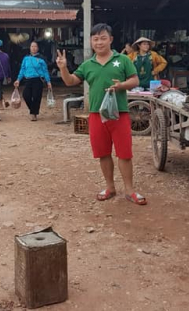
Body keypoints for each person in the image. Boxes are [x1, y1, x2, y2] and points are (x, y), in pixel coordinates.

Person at [56, 23, 147, 205]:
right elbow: (71, 81)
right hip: (96, 115)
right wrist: (63, 68)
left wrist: (121, 85)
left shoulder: (122, 60)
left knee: (125, 154)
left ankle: (130, 190)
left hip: (119, 113)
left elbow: (135, 79)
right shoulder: (88, 64)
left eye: (103, 38)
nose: (99, 42)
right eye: (95, 39)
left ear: (111, 40)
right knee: (103, 153)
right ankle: (110, 187)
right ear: (91, 41)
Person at [14, 41, 52, 121]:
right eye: (32, 46)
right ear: (30, 48)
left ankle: (34, 114)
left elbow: (45, 71)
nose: (33, 48)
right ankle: (33, 110)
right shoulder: (26, 58)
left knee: (36, 97)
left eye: (35, 46)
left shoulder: (41, 59)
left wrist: (48, 81)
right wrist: (18, 79)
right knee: (26, 95)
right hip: (28, 80)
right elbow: (22, 69)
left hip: (38, 80)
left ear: (38, 48)